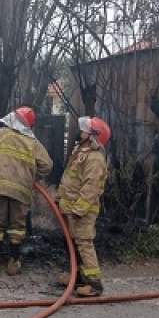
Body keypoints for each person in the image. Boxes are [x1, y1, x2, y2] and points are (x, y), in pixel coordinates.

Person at [0, 107, 52, 276]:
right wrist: (31, 176)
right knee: (17, 227)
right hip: (22, 191)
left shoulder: (1, 134)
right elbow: (47, 165)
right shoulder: (33, 143)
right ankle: (14, 263)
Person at [56, 116, 111, 297]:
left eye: (85, 130)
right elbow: (71, 180)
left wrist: (79, 210)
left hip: (82, 211)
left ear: (93, 136)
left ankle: (95, 284)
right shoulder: (82, 152)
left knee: (84, 243)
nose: (81, 132)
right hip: (71, 208)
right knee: (72, 243)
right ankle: (78, 277)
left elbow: (91, 187)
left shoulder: (95, 159)